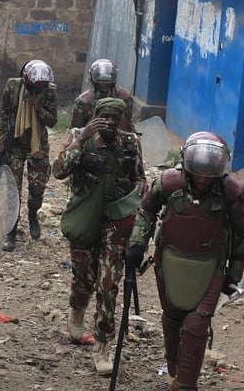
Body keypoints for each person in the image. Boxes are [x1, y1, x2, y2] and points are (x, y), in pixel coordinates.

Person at [126, 132, 244, 390]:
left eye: (210, 173)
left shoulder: (232, 193)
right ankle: (173, 371)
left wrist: (234, 276)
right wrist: (137, 244)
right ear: (186, 165)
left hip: (211, 265)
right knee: (172, 318)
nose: (204, 178)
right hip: (170, 262)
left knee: (197, 323)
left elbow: (241, 235)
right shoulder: (168, 184)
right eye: (198, 172)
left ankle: (185, 385)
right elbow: (146, 211)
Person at [51, 98, 144, 376]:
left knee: (108, 284)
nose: (111, 122)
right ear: (95, 116)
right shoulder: (81, 137)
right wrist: (82, 140)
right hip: (84, 218)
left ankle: (102, 344)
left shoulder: (130, 143)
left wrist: (141, 185)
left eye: (117, 117)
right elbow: (58, 171)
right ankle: (78, 308)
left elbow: (139, 175)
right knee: (84, 279)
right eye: (105, 116)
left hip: (114, 224)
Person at [0, 60, 58, 251]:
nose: (36, 91)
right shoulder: (13, 87)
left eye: (40, 88)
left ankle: (32, 215)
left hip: (37, 145)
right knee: (13, 190)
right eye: (33, 88)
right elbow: (4, 113)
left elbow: (53, 121)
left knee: (37, 188)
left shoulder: (49, 92)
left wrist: (38, 107)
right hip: (15, 145)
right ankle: (11, 231)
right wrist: (2, 138)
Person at [72, 58, 135, 132]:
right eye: (101, 79)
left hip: (119, 137)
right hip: (91, 138)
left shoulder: (124, 97)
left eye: (108, 80)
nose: (104, 83)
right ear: (92, 78)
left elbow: (129, 122)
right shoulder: (84, 101)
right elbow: (75, 129)